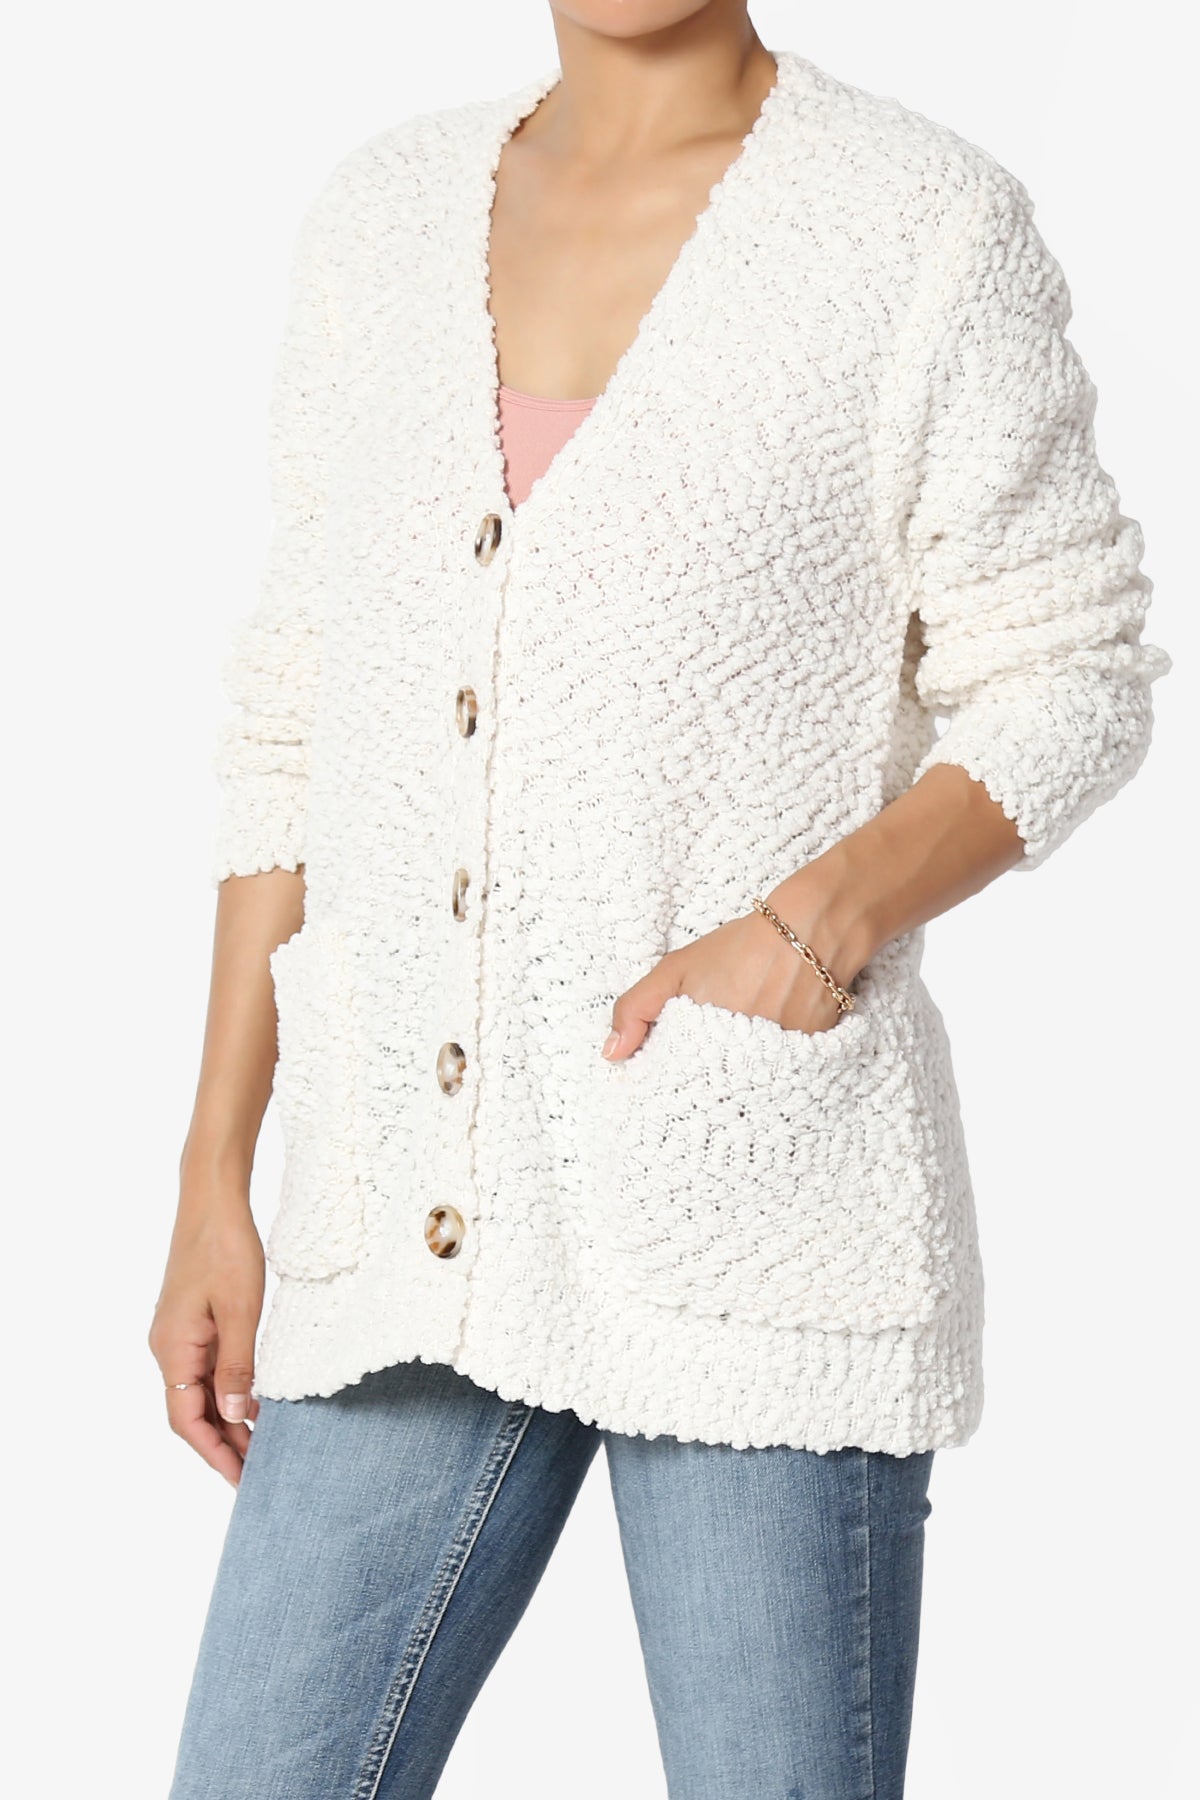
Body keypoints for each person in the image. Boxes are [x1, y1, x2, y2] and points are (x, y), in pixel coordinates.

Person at [152, 5, 1170, 1796]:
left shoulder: (920, 223)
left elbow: (1070, 665)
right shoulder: (380, 219)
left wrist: (815, 923)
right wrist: (212, 1175)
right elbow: (294, 716)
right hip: (398, 1219)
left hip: (754, 1213)